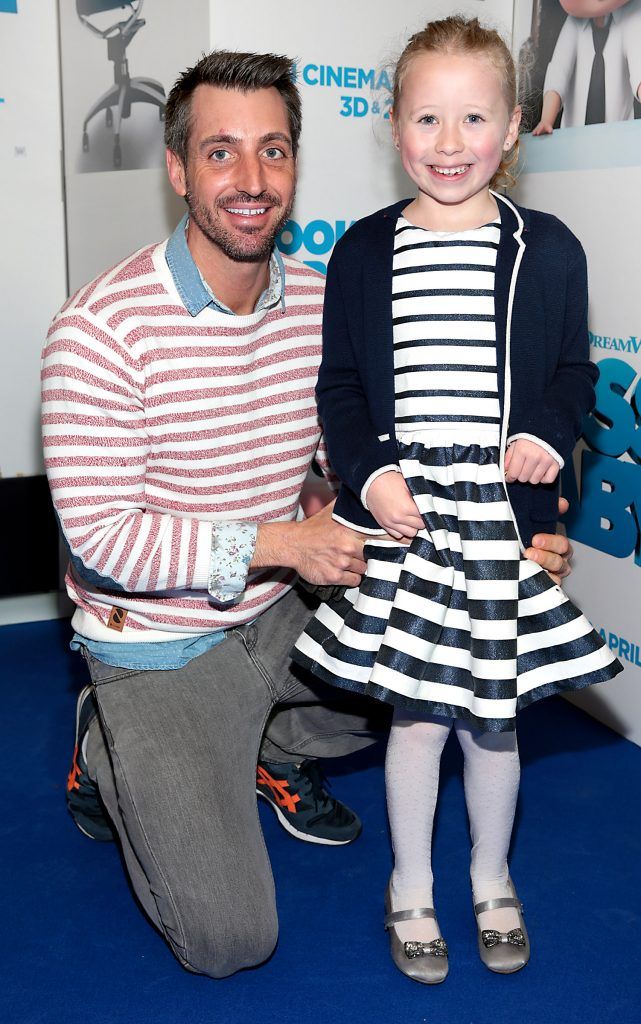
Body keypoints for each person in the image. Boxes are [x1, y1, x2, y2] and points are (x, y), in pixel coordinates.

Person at [42, 49, 575, 980]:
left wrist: (516, 522)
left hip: (279, 610)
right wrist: (282, 540)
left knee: (444, 669)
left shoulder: (323, 302)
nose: (251, 181)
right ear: (177, 169)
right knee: (229, 944)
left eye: (273, 151)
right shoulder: (101, 329)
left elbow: (354, 457)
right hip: (158, 642)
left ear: (295, 163)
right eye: (219, 153)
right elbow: (102, 540)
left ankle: (267, 744)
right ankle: (108, 738)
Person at [293, 16, 622, 984]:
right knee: (417, 717)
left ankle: (488, 878)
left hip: (494, 520)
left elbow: (568, 371)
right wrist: (369, 474)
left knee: (492, 718)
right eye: (425, 117)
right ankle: (408, 886)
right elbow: (340, 386)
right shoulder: (360, 252)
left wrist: (538, 440)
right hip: (402, 514)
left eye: (471, 117)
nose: (447, 142)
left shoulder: (547, 248)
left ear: (511, 126)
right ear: (391, 125)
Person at [532, 0, 641, 133]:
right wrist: (546, 120)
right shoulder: (573, 23)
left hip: (617, 137)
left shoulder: (631, 18)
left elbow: (638, 64)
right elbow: (559, 72)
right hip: (574, 137)